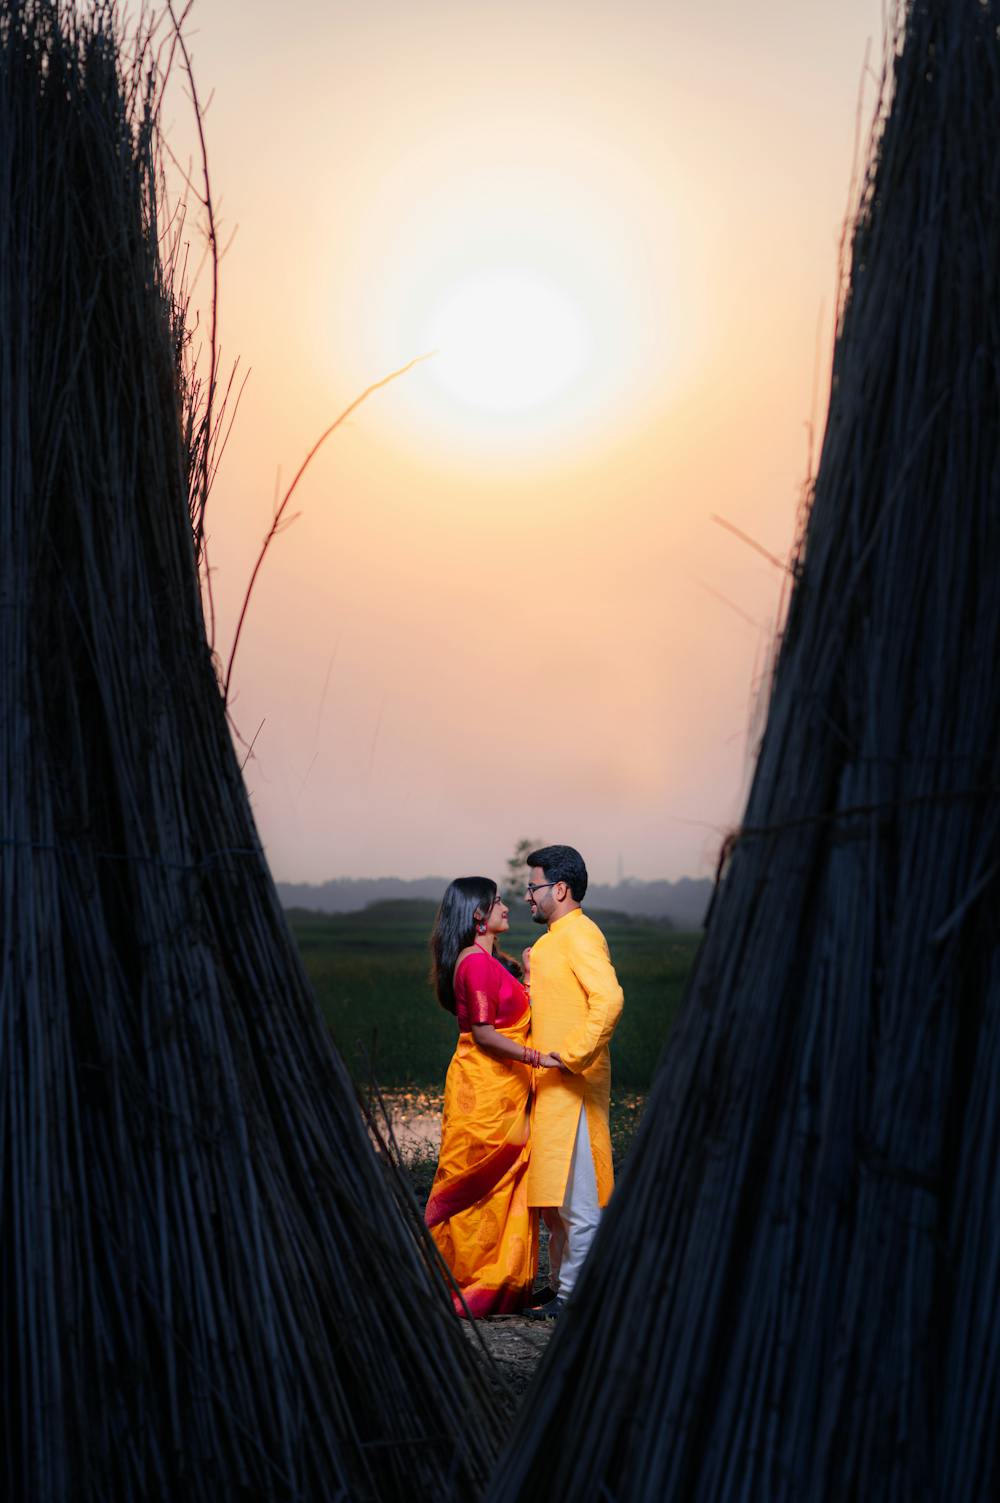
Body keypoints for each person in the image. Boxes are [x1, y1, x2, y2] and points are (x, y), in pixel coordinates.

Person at [425, 876, 561, 1317]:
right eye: (498, 901)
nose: (506, 907)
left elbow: (510, 1013)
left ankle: (498, 1282)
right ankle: (474, 1282)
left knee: (504, 1188)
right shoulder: (476, 964)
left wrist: (526, 975)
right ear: (478, 915)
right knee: (480, 1188)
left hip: (500, 1089)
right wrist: (538, 1058)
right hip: (484, 1092)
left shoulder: (487, 961)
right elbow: (484, 1034)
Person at [521, 844, 624, 1319]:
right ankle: (561, 1284)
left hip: (574, 1084)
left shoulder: (581, 934)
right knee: (556, 1198)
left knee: (579, 1198)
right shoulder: (550, 942)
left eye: (533, 887)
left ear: (559, 889)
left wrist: (573, 1056)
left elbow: (609, 999)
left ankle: (576, 1295)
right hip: (551, 1087)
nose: (527, 896)